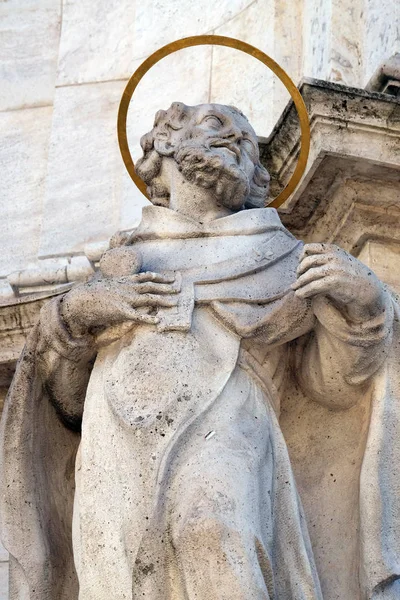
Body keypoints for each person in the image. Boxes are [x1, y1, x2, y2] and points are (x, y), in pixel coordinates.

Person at [1, 102, 398, 600]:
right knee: (117, 567)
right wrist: (76, 313)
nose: (236, 143)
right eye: (215, 126)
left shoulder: (286, 260)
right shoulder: (120, 266)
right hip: (114, 439)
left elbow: (333, 390)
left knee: (214, 530)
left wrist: (365, 310)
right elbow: (65, 401)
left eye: (249, 146)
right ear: (164, 142)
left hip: (232, 424)